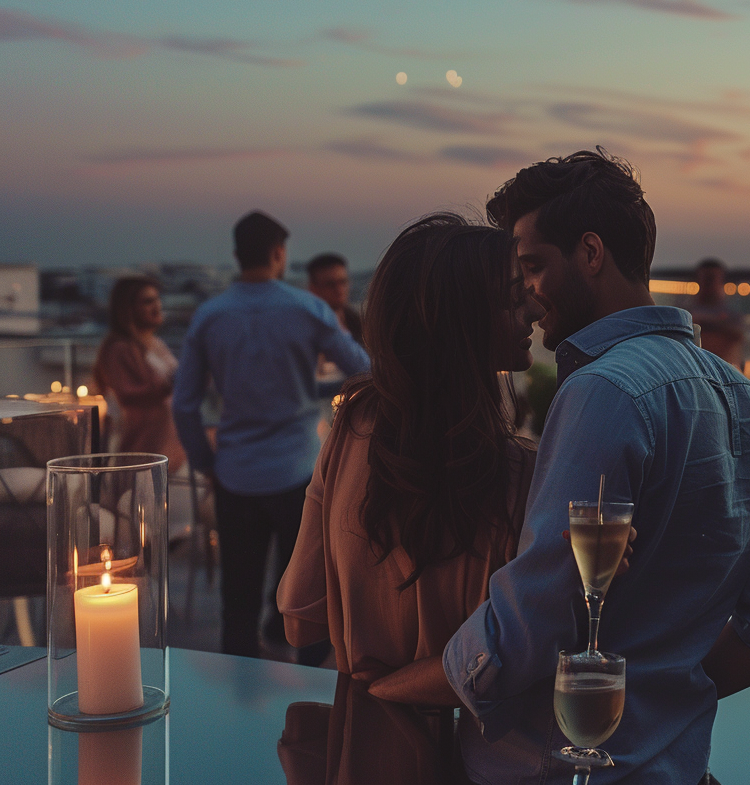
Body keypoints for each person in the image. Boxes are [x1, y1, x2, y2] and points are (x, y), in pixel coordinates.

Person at [444, 150, 750, 785]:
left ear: (591, 252)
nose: (526, 296)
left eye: (533, 266)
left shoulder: (603, 392)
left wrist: (425, 676)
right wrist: (661, 698)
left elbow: (536, 611)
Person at [278, 215, 542, 708]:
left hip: (362, 738)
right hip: (472, 753)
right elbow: (517, 655)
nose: (534, 307)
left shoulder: (352, 430)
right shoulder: (521, 474)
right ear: (464, 318)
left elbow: (298, 618)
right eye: (513, 296)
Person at [173, 210, 370, 659]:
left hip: (236, 473)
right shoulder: (306, 308)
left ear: (238, 255)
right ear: (279, 254)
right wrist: (311, 389)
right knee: (309, 599)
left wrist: (207, 463)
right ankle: (307, 707)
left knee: (237, 602)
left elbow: (184, 405)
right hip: (298, 473)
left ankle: (238, 707)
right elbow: (363, 370)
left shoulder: (209, 316)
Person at [92, 276, 187, 468]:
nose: (157, 306)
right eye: (147, 301)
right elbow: (130, 395)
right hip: (146, 447)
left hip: (171, 444)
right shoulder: (119, 348)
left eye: (157, 299)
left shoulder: (156, 343)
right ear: (128, 309)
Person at [686, 258, 744, 367]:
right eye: (706, 278)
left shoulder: (732, 315)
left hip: (726, 372)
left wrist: (705, 322)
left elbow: (738, 335)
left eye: (712, 278)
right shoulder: (687, 312)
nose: (708, 283)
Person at [306, 253, 363, 343]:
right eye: (330, 284)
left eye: (343, 282)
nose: (339, 289)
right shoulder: (307, 328)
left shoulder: (358, 323)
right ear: (313, 289)